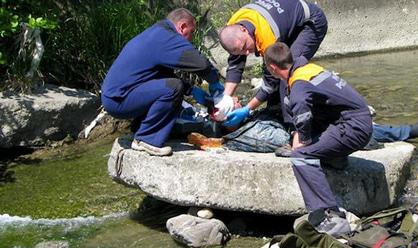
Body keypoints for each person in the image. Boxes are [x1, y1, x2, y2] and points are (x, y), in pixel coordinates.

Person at [263, 42, 373, 235]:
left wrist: (300, 142)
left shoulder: (298, 86)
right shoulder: (308, 68)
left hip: (353, 128)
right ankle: (335, 156)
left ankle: (331, 216)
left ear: (272, 67)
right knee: (306, 144)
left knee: (301, 157)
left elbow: (303, 116)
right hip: (357, 121)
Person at [101, 8, 225, 156]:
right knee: (173, 88)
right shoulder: (166, 37)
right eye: (191, 32)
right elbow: (201, 65)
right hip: (120, 100)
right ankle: (146, 139)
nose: (191, 38)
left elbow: (158, 75)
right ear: (182, 26)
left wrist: (191, 90)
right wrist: (214, 81)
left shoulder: (157, 33)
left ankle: (140, 128)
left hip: (118, 96)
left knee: (173, 86)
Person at [217, 0, 328, 128]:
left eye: (245, 47)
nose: (247, 53)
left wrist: (247, 108)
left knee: (285, 72)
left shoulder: (267, 37)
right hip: (284, 22)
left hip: (310, 23)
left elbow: (271, 82)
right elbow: (235, 66)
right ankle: (275, 110)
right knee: (276, 82)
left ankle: (292, 126)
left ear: (244, 30)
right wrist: (225, 100)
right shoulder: (233, 31)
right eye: (241, 51)